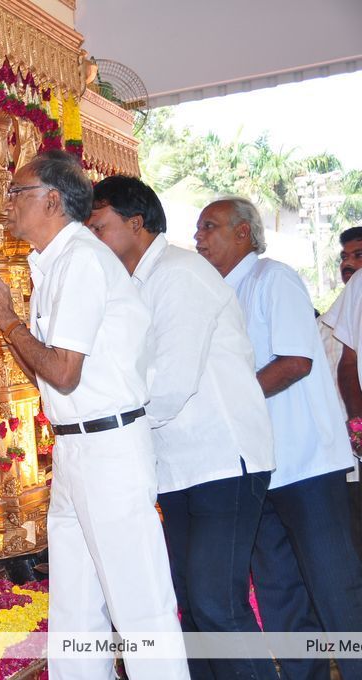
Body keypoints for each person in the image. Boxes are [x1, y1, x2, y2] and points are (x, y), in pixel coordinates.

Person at [0, 151, 189, 680]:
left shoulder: (82, 259)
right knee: (76, 606)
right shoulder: (53, 263)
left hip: (109, 447)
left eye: (17, 192)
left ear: (52, 199)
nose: (7, 202)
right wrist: (9, 323)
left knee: (139, 603)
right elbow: (45, 369)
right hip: (76, 446)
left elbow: (63, 373)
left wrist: (5, 318)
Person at [87, 176, 276, 680]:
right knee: (190, 608)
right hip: (175, 468)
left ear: (136, 222)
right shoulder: (131, 287)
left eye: (98, 224)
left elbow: (169, 381)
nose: (92, 237)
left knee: (218, 605)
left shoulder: (179, 272)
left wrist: (115, 435)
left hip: (221, 459)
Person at [196, 198, 362, 679]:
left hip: (306, 463)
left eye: (210, 226)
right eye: (198, 228)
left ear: (244, 233)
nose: (199, 237)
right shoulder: (215, 294)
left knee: (336, 589)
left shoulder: (273, 279)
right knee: (279, 592)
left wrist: (229, 401)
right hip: (254, 469)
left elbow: (295, 361)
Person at [319, 227, 362, 549]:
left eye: (357, 256)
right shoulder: (323, 324)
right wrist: (357, 427)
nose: (348, 264)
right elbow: (346, 370)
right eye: (344, 257)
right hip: (345, 456)